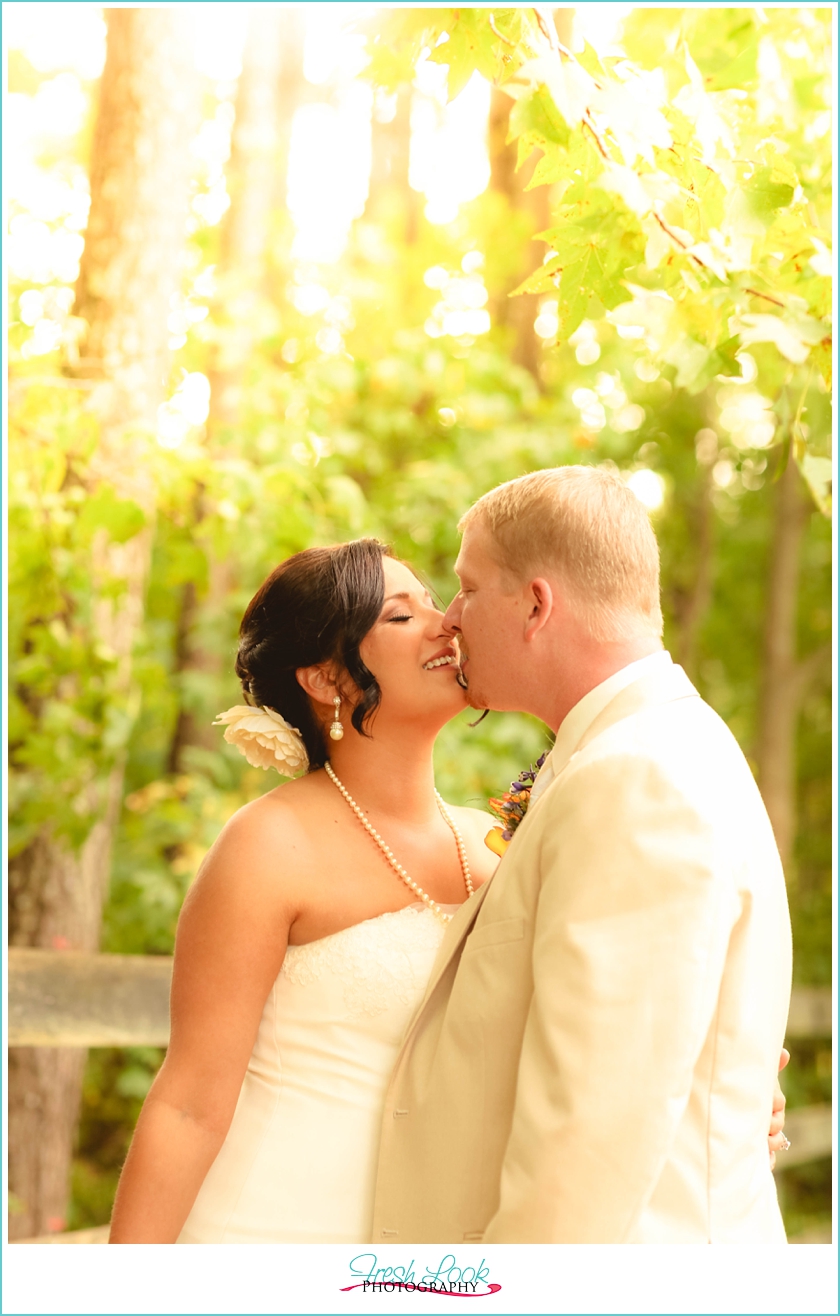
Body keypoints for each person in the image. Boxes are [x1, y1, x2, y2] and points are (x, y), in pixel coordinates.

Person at [371, 466, 793, 1244]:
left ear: (536, 604)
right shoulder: (636, 751)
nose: (452, 618)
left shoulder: (639, 775)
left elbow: (592, 1126)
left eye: (467, 589)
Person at [108, 539, 498, 1243]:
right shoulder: (269, 845)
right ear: (325, 678)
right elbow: (189, 1103)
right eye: (400, 617)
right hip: (264, 1240)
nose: (446, 623)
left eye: (435, 602)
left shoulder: (494, 847)